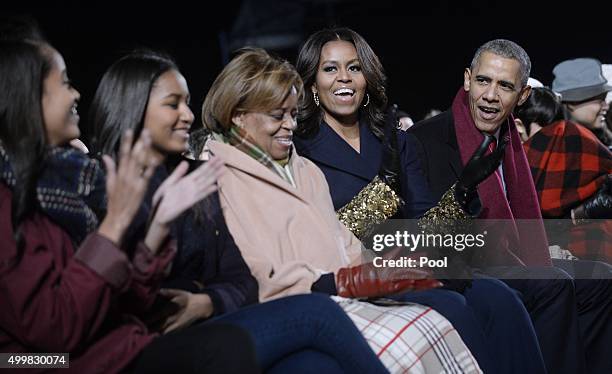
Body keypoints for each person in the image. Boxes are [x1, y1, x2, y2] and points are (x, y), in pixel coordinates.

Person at [89, 50, 390, 373]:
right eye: (172, 104)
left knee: (314, 364)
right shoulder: (104, 186)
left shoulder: (194, 178)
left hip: (220, 316)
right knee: (318, 316)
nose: (188, 116)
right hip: (162, 340)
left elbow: (238, 277)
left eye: (187, 103)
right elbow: (103, 302)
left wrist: (205, 301)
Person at [201, 46, 485, 373]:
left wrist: (389, 265)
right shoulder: (217, 177)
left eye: (292, 114)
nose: (289, 125)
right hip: (300, 304)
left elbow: (345, 243)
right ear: (238, 116)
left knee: (468, 300)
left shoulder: (308, 170)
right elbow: (249, 273)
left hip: (350, 289)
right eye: (278, 116)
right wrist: (351, 277)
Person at [293, 27, 546, 374]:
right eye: (330, 69)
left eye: (354, 68)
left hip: (420, 263)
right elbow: (329, 236)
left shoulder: (396, 140)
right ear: (311, 82)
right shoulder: (298, 150)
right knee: (454, 306)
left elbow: (427, 230)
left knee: (500, 300)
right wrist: (384, 194)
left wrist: (464, 189)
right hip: (360, 273)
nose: (344, 78)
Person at [0, 39, 259, 374]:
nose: (76, 93)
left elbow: (120, 302)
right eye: (63, 83)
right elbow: (55, 335)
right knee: (287, 326)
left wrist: (157, 231)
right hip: (41, 361)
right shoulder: (216, 168)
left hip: (123, 338)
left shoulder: (309, 168)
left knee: (302, 347)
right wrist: (118, 225)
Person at [407, 38, 612, 374]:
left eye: (504, 86)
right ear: (467, 80)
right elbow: (429, 235)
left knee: (601, 277)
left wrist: (546, 250)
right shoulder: (425, 139)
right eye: (484, 81)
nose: (490, 95)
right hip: (463, 264)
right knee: (552, 282)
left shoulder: (509, 140)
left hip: (510, 258)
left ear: (522, 96)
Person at [518, 87, 612, 264]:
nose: (555, 134)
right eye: (597, 98)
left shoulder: (574, 142)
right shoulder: (575, 140)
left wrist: (578, 215)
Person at [552, 58, 612, 147]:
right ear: (571, 103)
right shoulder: (554, 145)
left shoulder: (599, 143)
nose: (606, 106)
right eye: (600, 100)